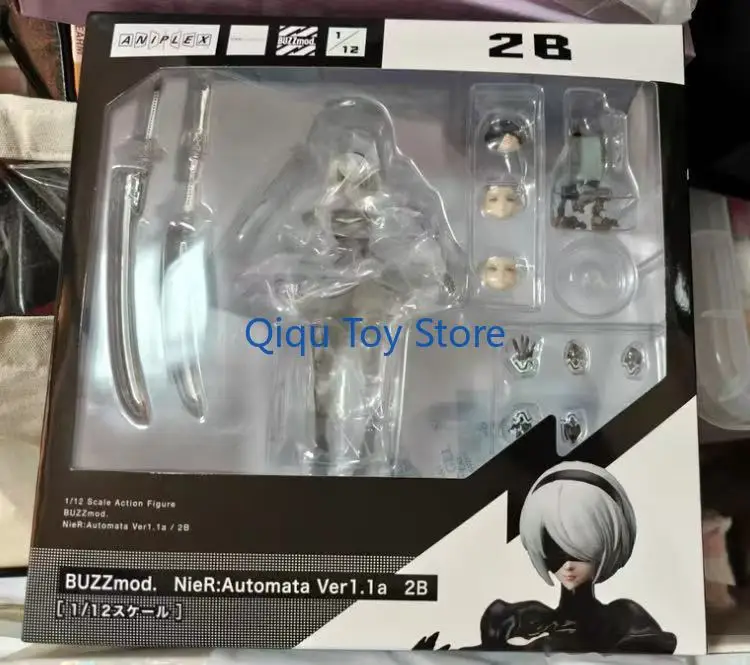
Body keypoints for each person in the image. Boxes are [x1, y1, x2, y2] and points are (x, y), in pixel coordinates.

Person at [415, 461, 677, 653]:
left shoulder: (623, 619)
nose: (568, 564)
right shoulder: (517, 619)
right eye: (554, 549)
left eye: (581, 550)